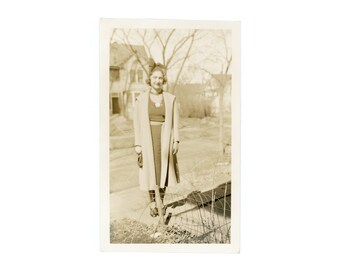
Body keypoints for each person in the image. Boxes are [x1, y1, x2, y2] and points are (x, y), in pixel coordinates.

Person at [133, 59, 180, 217]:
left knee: (163, 171)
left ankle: (162, 203)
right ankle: (153, 204)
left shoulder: (170, 98)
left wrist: (176, 140)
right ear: (149, 80)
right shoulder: (141, 99)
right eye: (155, 78)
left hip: (165, 137)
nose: (157, 81)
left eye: (160, 78)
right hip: (148, 138)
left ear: (163, 80)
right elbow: (137, 123)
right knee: (150, 171)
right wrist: (137, 144)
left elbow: (175, 121)